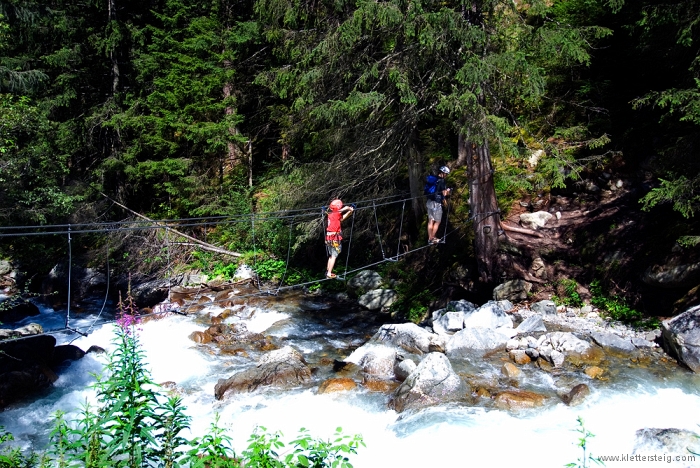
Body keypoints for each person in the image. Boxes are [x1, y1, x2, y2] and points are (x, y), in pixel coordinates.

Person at [325, 198, 354, 278]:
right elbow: (342, 210)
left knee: (331, 255)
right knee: (334, 256)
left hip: (329, 237)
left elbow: (341, 219)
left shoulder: (331, 214)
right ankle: (329, 273)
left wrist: (350, 212)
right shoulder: (337, 213)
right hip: (335, 237)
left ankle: (328, 271)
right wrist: (348, 208)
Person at [426, 166, 451, 244]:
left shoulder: (433, 179)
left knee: (430, 221)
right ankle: (432, 238)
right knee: (437, 221)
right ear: (443, 173)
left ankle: (430, 238)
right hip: (436, 203)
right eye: (446, 174)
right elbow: (444, 194)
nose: (446, 175)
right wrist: (448, 191)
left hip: (429, 202)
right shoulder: (442, 181)